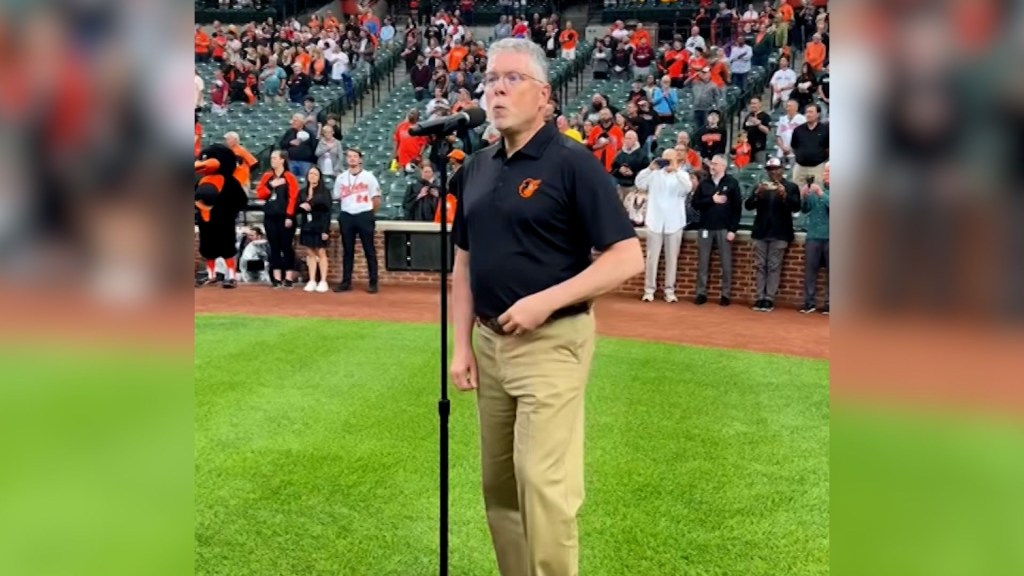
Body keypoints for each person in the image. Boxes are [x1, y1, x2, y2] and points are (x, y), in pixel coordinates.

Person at [449, 38, 643, 576]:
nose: (496, 89)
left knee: (542, 482)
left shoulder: (572, 163)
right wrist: (460, 346)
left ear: (544, 95)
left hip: (552, 340)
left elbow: (626, 257)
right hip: (489, 344)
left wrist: (545, 301)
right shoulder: (476, 168)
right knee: (500, 485)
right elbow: (463, 265)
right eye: (490, 80)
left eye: (511, 79)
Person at [634, 148, 691, 303]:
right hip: (655, 220)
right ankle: (649, 290)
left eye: (670, 159)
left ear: (676, 159)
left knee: (672, 258)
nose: (666, 162)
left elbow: (687, 188)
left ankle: (669, 290)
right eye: (664, 159)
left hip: (675, 222)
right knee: (652, 257)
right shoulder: (654, 175)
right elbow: (639, 183)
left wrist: (676, 170)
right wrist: (649, 168)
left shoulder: (682, 175)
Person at [745, 156, 801, 311]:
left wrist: (784, 195)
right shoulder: (761, 186)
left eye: (776, 169)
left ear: (782, 169)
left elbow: (796, 207)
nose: (773, 172)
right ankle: (760, 297)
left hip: (780, 232)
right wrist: (757, 193)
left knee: (774, 266)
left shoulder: (790, 187)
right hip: (761, 231)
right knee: (760, 266)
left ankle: (769, 298)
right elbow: (748, 205)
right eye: (770, 169)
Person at [690, 154, 742, 305]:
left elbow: (737, 208)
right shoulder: (705, 183)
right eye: (711, 163)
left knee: (726, 262)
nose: (712, 166)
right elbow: (695, 203)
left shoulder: (732, 183)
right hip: (706, 227)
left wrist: (733, 230)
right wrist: (711, 200)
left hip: (724, 228)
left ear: (723, 166)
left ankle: (725, 294)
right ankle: (701, 293)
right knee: (703, 262)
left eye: (716, 164)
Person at [332, 147, 381, 293]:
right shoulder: (341, 178)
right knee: (347, 250)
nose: (352, 159)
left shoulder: (369, 177)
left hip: (364, 213)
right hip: (347, 214)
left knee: (369, 250)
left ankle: (373, 282)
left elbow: (376, 198)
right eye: (349, 156)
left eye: (355, 156)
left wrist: (370, 213)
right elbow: (336, 196)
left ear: (360, 159)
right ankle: (346, 282)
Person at [255, 149, 300, 288]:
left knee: (286, 246)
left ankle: (289, 276)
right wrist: (270, 185)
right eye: (272, 158)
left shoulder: (289, 177)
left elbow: (293, 197)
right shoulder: (268, 176)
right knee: (273, 247)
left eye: (275, 158)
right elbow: (260, 194)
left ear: (282, 160)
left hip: (284, 217)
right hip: (270, 216)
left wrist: (289, 216)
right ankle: (276, 276)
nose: (272, 160)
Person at [800, 161, 829, 314]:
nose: (827, 175)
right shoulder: (817, 189)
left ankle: (830, 304)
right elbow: (805, 209)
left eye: (829, 172)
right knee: (810, 271)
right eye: (825, 172)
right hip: (813, 235)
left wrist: (821, 195)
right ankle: (809, 302)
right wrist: (804, 196)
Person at [298, 166, 333, 292]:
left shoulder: (324, 192)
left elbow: (328, 211)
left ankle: (323, 280)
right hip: (307, 225)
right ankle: (312, 280)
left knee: (321, 252)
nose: (312, 176)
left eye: (315, 174)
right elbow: (297, 208)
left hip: (320, 225)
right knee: (310, 253)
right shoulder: (302, 192)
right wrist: (302, 205)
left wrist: (325, 230)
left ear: (319, 177)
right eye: (310, 173)